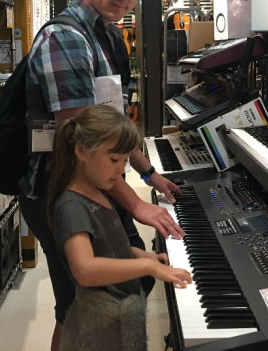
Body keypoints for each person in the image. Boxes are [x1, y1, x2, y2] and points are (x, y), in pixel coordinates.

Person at [20, 0, 184, 350]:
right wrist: (137, 204)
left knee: (123, 284)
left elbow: (110, 128)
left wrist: (148, 173)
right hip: (61, 189)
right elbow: (87, 143)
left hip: (95, 182)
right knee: (78, 302)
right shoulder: (67, 39)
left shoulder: (107, 37)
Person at [49, 105, 191, 351]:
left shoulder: (97, 191)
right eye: (114, 159)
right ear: (82, 151)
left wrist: (145, 256)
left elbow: (108, 246)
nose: (121, 169)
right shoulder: (72, 207)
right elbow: (84, 269)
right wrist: (146, 266)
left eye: (125, 160)